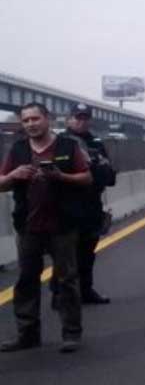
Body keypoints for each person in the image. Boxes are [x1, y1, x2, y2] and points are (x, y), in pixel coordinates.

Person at [0, 102, 92, 353]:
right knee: (26, 280)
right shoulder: (17, 150)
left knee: (67, 280)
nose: (31, 124)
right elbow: (1, 183)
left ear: (47, 119)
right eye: (26, 120)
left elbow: (86, 177)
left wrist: (60, 176)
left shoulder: (68, 146)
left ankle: (71, 333)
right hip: (28, 225)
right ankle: (27, 334)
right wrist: (13, 175)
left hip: (62, 225)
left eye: (35, 119)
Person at [59, 103, 117, 305]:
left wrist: (92, 169)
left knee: (87, 253)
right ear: (68, 119)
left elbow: (109, 176)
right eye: (77, 117)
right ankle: (61, 295)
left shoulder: (96, 143)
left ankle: (86, 290)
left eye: (85, 118)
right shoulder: (59, 142)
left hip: (91, 204)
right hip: (66, 206)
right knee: (66, 255)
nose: (81, 121)